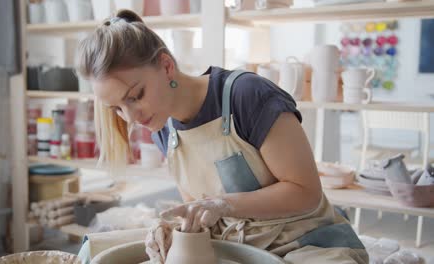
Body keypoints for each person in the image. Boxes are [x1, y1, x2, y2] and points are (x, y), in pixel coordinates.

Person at [75, 9, 368, 264]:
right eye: (117, 109)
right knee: (94, 251)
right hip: (235, 247)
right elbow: (197, 214)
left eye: (136, 96)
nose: (132, 118)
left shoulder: (248, 96)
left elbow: (306, 192)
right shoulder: (164, 129)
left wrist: (223, 204)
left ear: (166, 66)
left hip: (307, 244)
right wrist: (179, 230)